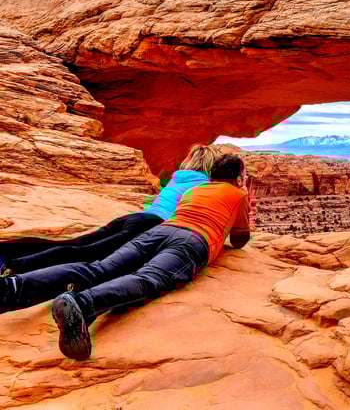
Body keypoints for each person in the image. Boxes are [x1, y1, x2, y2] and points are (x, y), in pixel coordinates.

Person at [0, 153, 251, 361]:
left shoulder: (194, 192)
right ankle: (84, 304)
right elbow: (240, 239)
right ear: (238, 176)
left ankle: (13, 286)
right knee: (148, 278)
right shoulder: (238, 194)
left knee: (98, 267)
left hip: (158, 230)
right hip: (193, 240)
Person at [0, 144, 216, 276]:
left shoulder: (178, 178)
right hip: (151, 225)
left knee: (75, 243)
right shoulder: (205, 186)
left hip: (136, 217)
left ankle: (7, 252)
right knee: (86, 253)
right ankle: (14, 266)